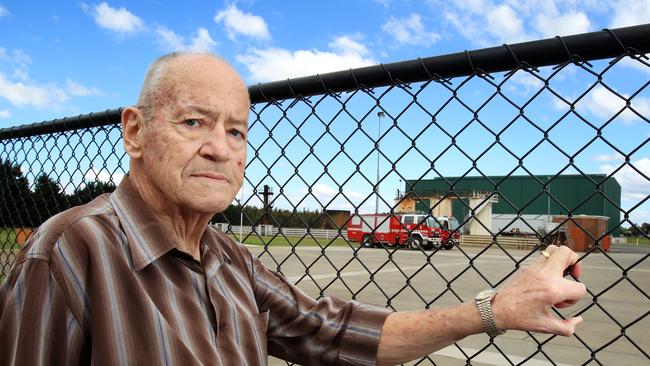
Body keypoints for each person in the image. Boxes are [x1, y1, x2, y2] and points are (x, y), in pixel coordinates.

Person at [0, 52, 586, 366]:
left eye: (237, 131)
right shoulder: (68, 254)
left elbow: (337, 334)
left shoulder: (232, 261)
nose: (219, 148)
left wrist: (495, 308)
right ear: (135, 130)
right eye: (193, 122)